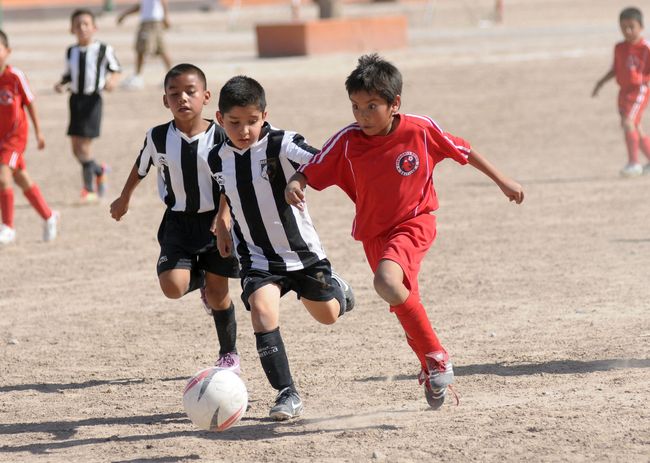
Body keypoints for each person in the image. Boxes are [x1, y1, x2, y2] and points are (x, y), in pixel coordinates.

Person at [285, 54, 524, 410]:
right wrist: (296, 181)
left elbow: (463, 150)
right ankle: (431, 367)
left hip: (414, 222)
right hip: (373, 234)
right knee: (401, 300)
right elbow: (314, 167)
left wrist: (503, 180)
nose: (362, 115)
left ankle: (436, 357)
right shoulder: (348, 140)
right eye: (355, 107)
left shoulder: (420, 129)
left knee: (386, 282)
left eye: (372, 106)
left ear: (394, 103)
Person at [209, 75, 354, 421]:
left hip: (302, 255)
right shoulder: (216, 157)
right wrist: (223, 221)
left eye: (252, 121)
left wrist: (298, 180)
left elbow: (324, 161)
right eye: (234, 123)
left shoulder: (284, 144)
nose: (244, 130)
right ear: (219, 119)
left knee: (328, 315)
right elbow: (227, 190)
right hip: (257, 257)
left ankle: (337, 287)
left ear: (265, 115)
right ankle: (287, 392)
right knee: (261, 313)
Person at [109, 64, 242, 373]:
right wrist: (124, 197)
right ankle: (200, 281)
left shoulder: (222, 136)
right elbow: (141, 166)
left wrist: (224, 217)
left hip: (217, 223)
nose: (182, 98)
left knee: (219, 294)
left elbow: (231, 180)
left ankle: (229, 353)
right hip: (178, 222)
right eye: (174, 93)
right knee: (172, 287)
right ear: (165, 100)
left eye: (190, 92)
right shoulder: (157, 137)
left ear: (206, 96)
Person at [54, 8, 121, 203]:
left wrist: (112, 82)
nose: (82, 28)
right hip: (75, 100)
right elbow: (68, 74)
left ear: (94, 28)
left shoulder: (103, 50)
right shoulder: (71, 51)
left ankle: (89, 189)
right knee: (75, 148)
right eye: (78, 25)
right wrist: (60, 84)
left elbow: (116, 69)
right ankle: (99, 170)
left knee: (84, 146)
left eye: (86, 24)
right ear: (72, 29)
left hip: (93, 100)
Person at [0, 30, 59, 245]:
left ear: (7, 51)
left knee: (3, 176)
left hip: (15, 138)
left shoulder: (15, 76)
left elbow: (30, 103)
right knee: (20, 177)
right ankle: (48, 216)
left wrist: (38, 132)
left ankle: (8, 227)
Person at [593, 7, 650, 177]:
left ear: (641, 27)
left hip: (639, 89)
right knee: (635, 127)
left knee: (628, 123)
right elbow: (615, 69)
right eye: (624, 27)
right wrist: (600, 83)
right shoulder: (619, 47)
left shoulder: (646, 48)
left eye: (632, 27)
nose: (628, 31)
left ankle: (634, 163)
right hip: (624, 92)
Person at [117, 0, 172, 90]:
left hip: (151, 22)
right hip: (150, 21)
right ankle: (171, 76)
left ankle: (138, 77)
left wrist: (166, 17)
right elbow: (141, 5)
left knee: (142, 49)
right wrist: (125, 14)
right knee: (160, 49)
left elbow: (163, 1)